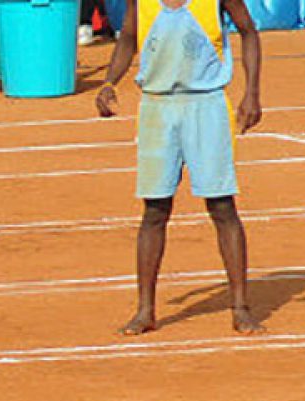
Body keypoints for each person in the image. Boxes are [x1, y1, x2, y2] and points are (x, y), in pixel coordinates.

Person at [95, 0, 266, 335]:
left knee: (221, 205)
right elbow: (128, 37)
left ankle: (241, 307)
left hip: (207, 105)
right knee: (155, 209)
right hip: (157, 107)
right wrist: (109, 82)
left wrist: (252, 94)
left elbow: (248, 31)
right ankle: (146, 310)